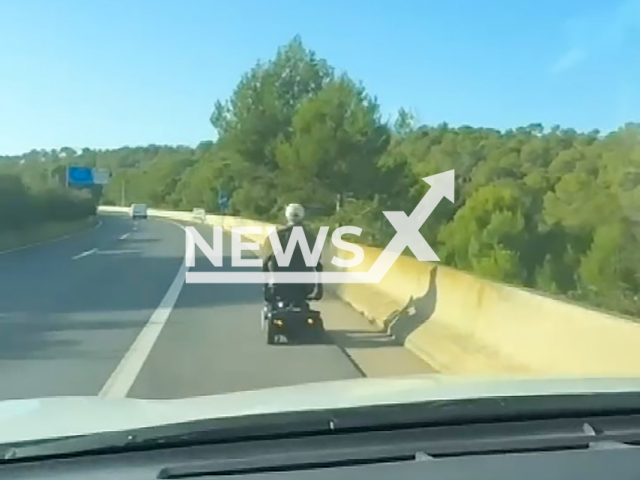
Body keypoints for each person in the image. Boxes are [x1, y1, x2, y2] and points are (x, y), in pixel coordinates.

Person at [262, 203, 323, 308]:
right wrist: (319, 289)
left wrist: (266, 288)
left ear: (286, 215)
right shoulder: (310, 237)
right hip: (305, 287)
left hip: (279, 287)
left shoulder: (276, 235)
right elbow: (318, 265)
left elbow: (265, 264)